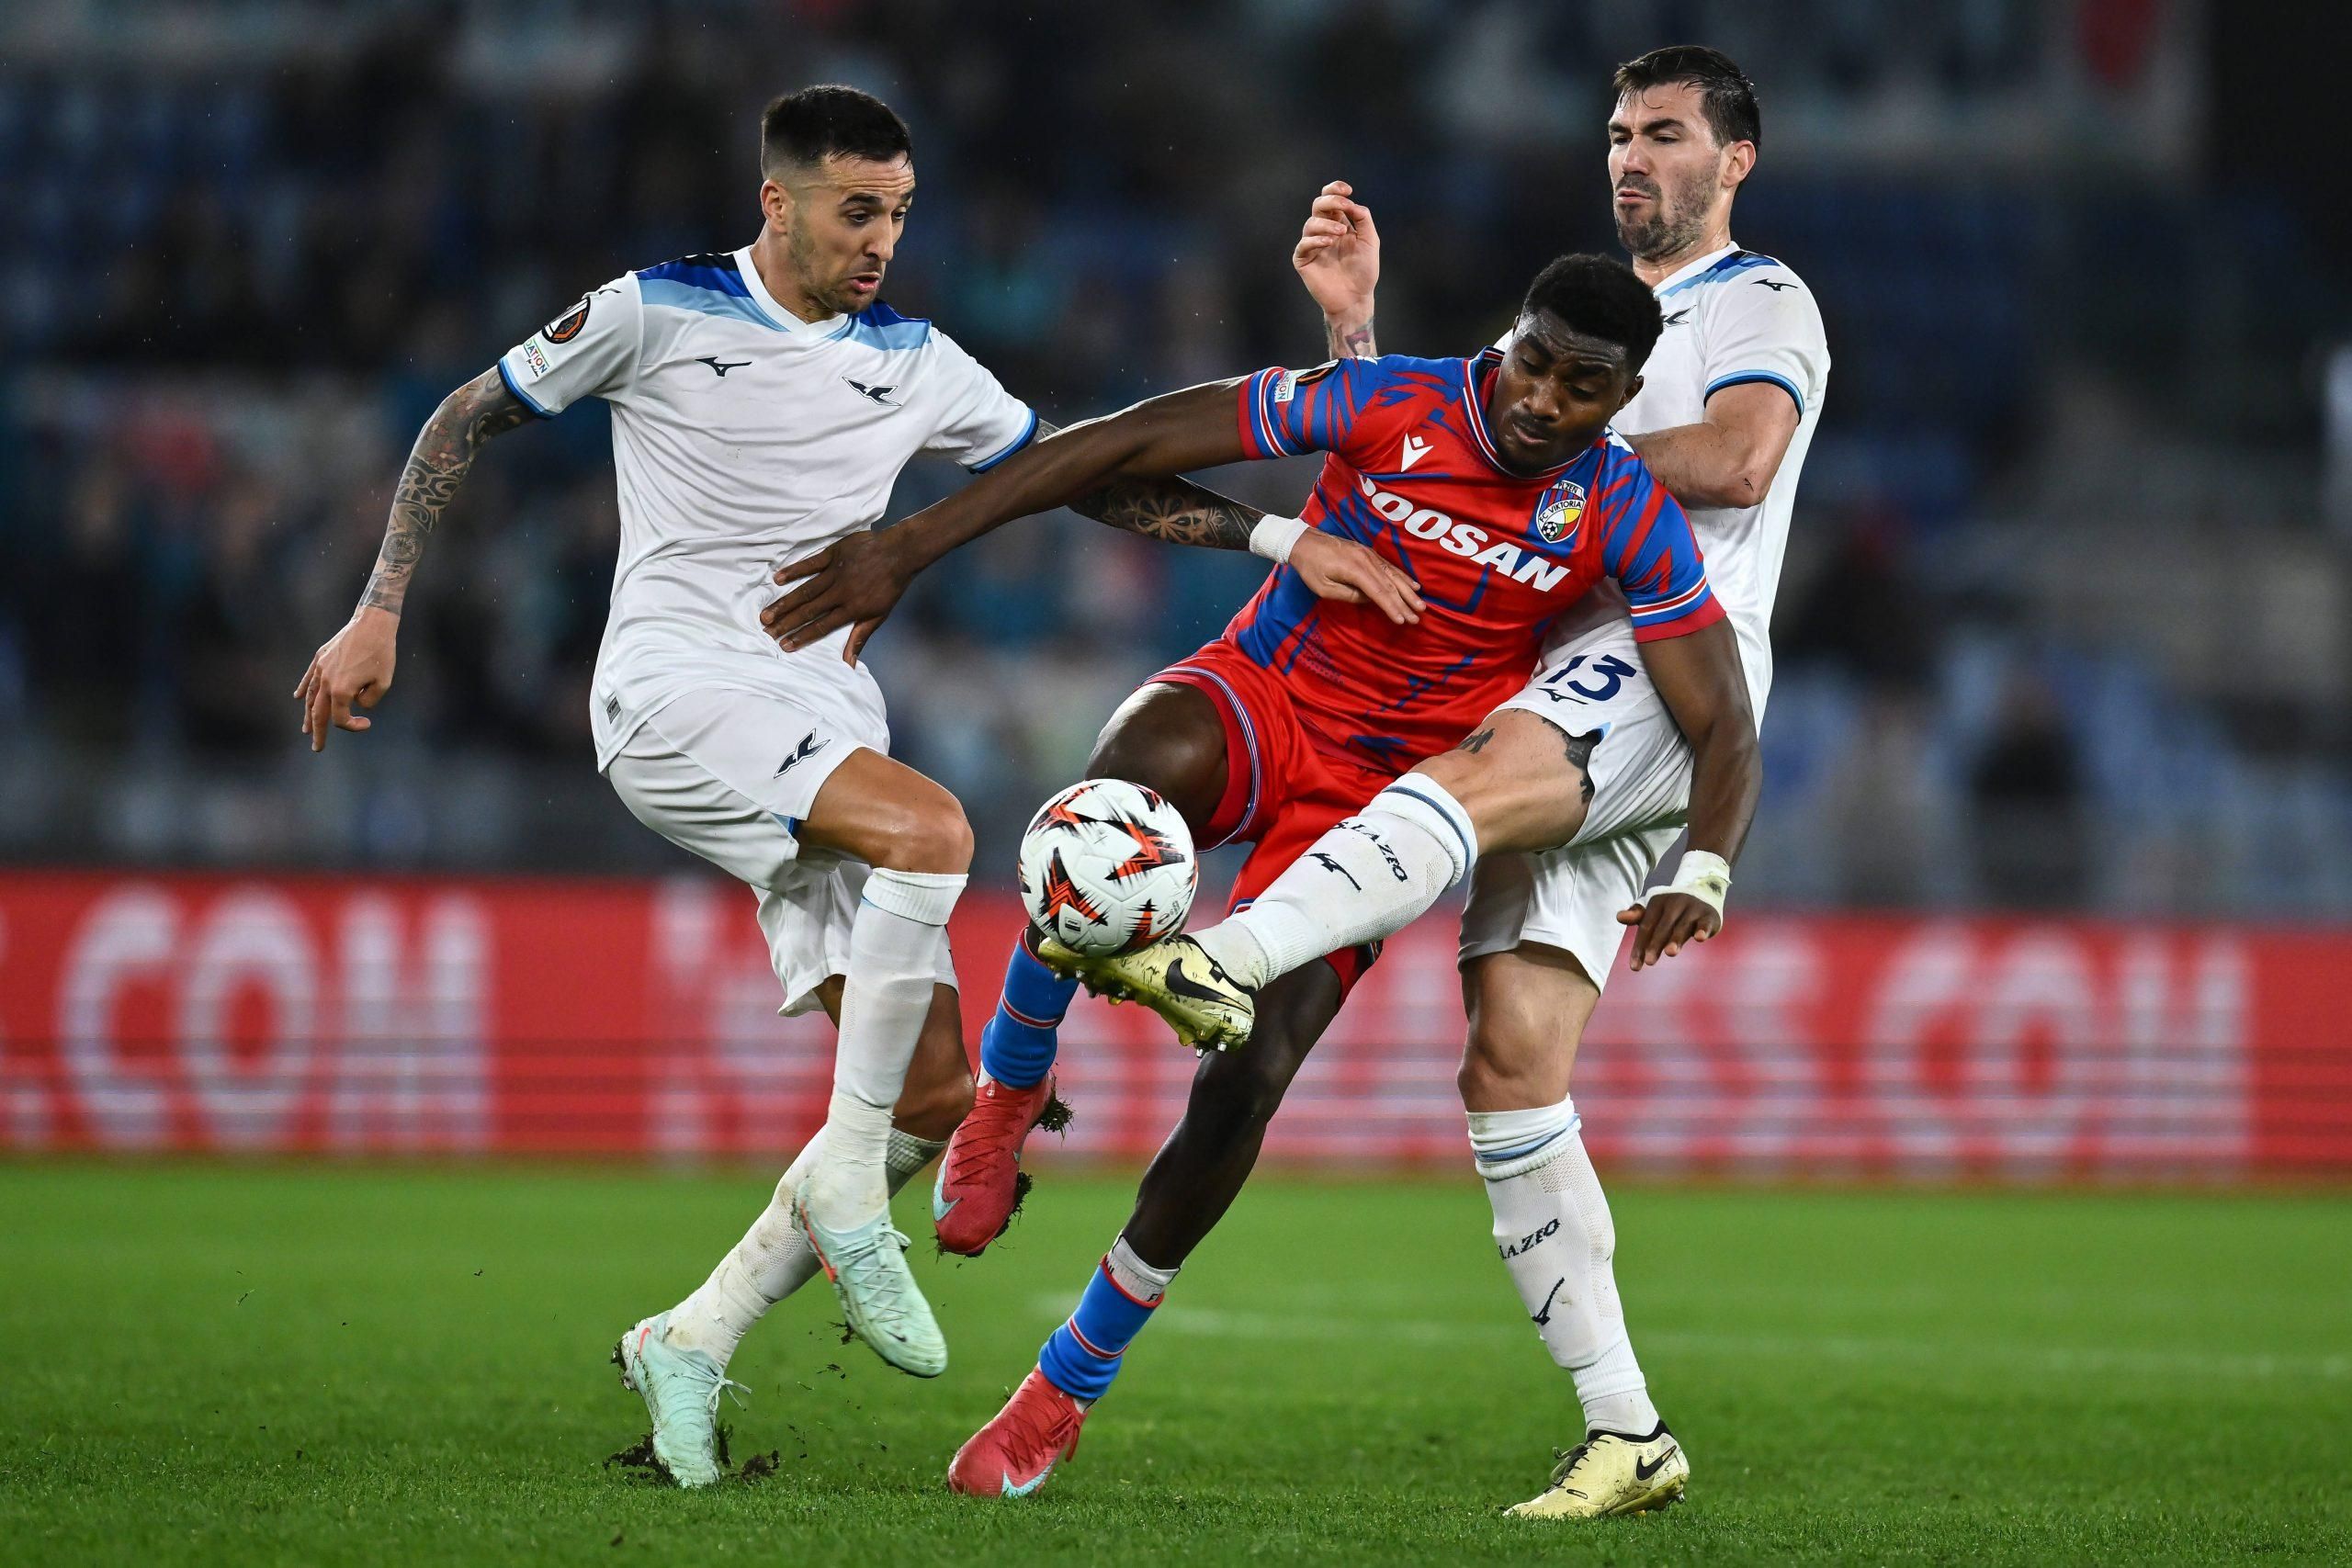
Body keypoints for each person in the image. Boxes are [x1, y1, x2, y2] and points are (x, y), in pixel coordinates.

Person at [290, 84, 1407, 1488]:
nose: (882, 239)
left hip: (817, 719)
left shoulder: (917, 359)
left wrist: (1273, 538)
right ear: (781, 201)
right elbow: (463, 417)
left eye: (900, 213)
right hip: (676, 694)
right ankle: (840, 1175)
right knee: (937, 828)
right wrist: (379, 608)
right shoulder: (659, 310)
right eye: (857, 210)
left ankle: (690, 1339)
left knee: (934, 1095)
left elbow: (1076, 477)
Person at [761, 252, 1761, 1501]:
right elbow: (1122, 442)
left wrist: (1706, 863)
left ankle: (1061, 1390)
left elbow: (1723, 720)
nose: (1541, 397)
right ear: (1508, 337)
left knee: (1251, 1082)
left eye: (1581, 386)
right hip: (1264, 695)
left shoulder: (1621, 512)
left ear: (1621, 402)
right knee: (1112, 799)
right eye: (1533, 360)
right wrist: (909, 548)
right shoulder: (1390, 402)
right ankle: (1007, 1098)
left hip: (1373, 812)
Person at [1040, 45, 1830, 1517]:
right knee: (1509, 1067)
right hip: (1564, 679)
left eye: (1665, 133)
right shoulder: (1568, 344)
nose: (1630, 155)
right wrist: (1437, 395)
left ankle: (1221, 956)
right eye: (1616, 132)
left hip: (1668, 669)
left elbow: (1732, 457)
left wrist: (1531, 443)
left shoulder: (1755, 300)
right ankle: (1628, 1430)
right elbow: (1429, 458)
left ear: (1736, 161)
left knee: (1455, 789)